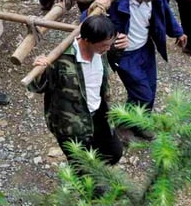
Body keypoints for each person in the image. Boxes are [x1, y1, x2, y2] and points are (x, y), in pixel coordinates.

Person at [91, 0, 185, 140]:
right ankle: (123, 124)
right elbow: (89, 23)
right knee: (142, 94)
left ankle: (141, 123)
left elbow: (165, 12)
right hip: (125, 56)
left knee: (150, 87)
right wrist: (111, 41)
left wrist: (178, 32)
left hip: (145, 49)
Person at [30, 14, 123, 167]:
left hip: (98, 113)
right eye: (104, 45)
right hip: (72, 123)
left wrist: (121, 48)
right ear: (86, 41)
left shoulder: (100, 51)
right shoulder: (60, 60)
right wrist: (39, 71)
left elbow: (112, 62)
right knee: (82, 167)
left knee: (113, 152)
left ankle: (99, 172)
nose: (107, 49)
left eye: (109, 44)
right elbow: (37, 86)